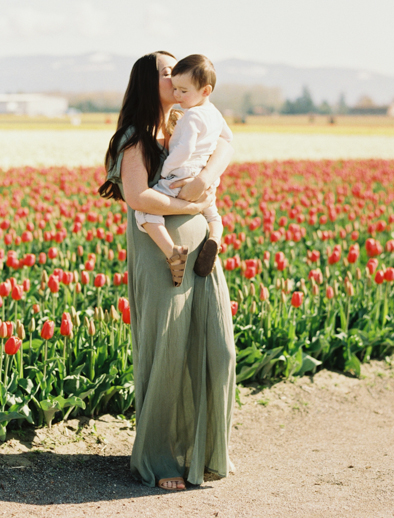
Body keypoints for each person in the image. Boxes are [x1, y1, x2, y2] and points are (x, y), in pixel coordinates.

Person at [98, 51, 237, 491]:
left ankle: (205, 451)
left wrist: (207, 176)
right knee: (168, 352)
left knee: (218, 348)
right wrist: (188, 204)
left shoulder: (189, 120)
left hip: (201, 252)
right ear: (147, 82)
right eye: (164, 73)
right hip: (162, 257)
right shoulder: (135, 137)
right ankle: (159, 458)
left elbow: (228, 142)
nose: (174, 77)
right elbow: (139, 198)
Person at [133, 54, 232, 285]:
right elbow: (227, 138)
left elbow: (186, 149)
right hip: (203, 176)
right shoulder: (214, 113)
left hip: (181, 175)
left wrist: (168, 169)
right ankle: (216, 238)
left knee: (145, 214)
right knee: (212, 213)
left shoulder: (190, 117)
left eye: (182, 90)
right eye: (172, 83)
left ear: (205, 90)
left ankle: (172, 253)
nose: (176, 93)